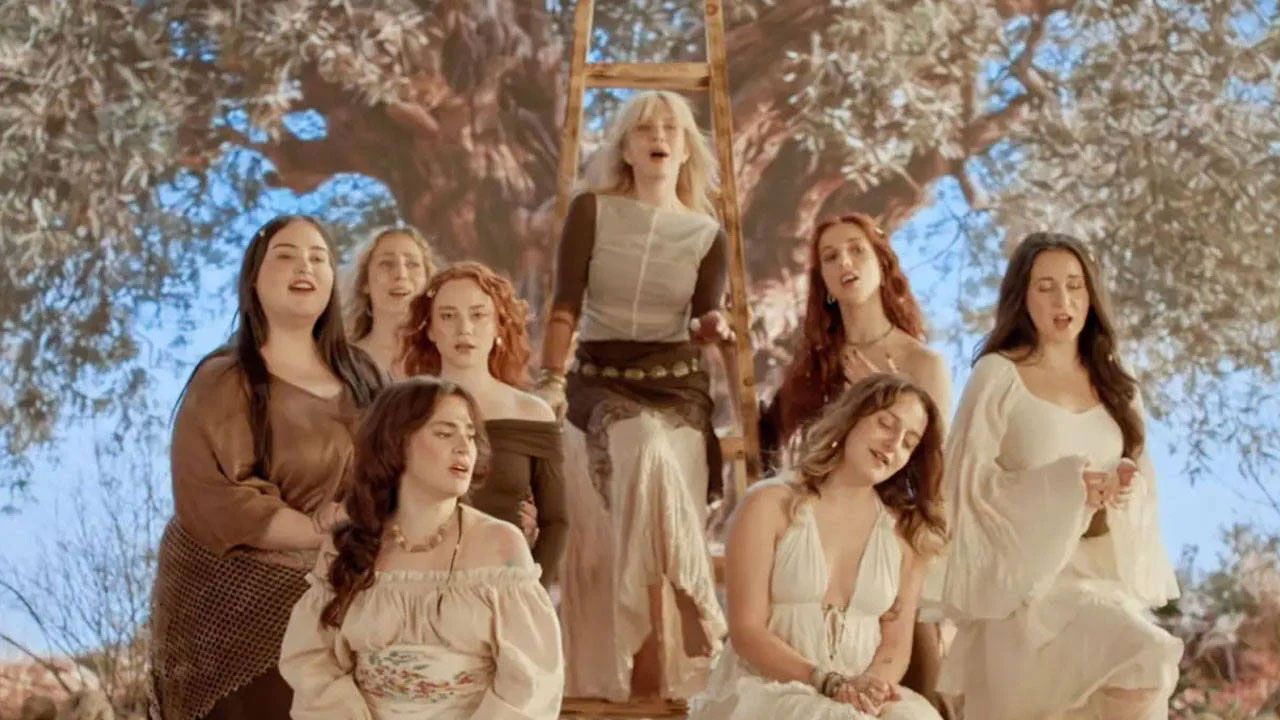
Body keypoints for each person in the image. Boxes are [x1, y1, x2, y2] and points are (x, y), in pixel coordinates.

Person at [536, 89, 733, 701]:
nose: (659, 137)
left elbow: (703, 316)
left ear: (686, 148)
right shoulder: (591, 210)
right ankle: (691, 590)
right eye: (644, 128)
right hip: (599, 377)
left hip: (676, 383)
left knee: (653, 445)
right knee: (642, 442)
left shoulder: (707, 234)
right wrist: (549, 380)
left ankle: (682, 600)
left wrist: (715, 327)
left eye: (671, 128)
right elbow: (565, 304)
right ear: (625, 147)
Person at [938, 233, 1182, 720]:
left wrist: (1125, 489)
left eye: (1074, 285)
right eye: (1045, 287)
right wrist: (1063, 487)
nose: (1062, 300)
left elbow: (1144, 486)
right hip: (1027, 596)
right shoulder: (997, 375)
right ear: (1022, 298)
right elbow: (962, 488)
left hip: (1100, 584)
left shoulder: (1117, 383)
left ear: (1091, 295)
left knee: (1148, 661)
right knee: (1146, 655)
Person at [148, 215, 383, 720]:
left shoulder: (364, 375)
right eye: (286, 255)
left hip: (353, 604)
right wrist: (322, 533)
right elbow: (216, 497)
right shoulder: (225, 378)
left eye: (319, 257)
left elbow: (402, 470)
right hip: (239, 622)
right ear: (253, 277)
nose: (305, 267)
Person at [278, 377, 564, 719]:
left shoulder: (501, 545)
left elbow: (531, 680)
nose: (464, 448)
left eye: (471, 435)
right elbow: (312, 663)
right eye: (444, 433)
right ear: (396, 444)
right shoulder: (349, 545)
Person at [758, 212, 951, 705]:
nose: (844, 262)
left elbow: (934, 471)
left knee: (915, 685)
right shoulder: (812, 368)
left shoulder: (922, 363)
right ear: (822, 283)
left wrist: (881, 399)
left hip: (894, 549)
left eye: (856, 250)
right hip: (820, 542)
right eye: (830, 257)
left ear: (882, 264)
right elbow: (769, 441)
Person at [690, 374, 947, 720]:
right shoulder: (768, 505)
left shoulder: (904, 536)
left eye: (909, 442)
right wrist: (827, 682)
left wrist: (868, 690)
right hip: (768, 688)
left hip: (858, 696)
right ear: (852, 418)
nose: (893, 444)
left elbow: (895, 647)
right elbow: (747, 631)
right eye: (886, 424)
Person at [402, 262, 567, 585]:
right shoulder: (403, 411)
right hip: (419, 585)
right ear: (430, 329)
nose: (464, 328)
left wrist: (531, 593)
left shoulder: (532, 413)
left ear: (498, 325)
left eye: (478, 315)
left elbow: (556, 522)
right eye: (448, 316)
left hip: (505, 587)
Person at [343, 226, 436, 377]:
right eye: (387, 263)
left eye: (412, 264)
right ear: (365, 282)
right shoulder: (343, 363)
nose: (401, 274)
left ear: (428, 280)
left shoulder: (447, 355)